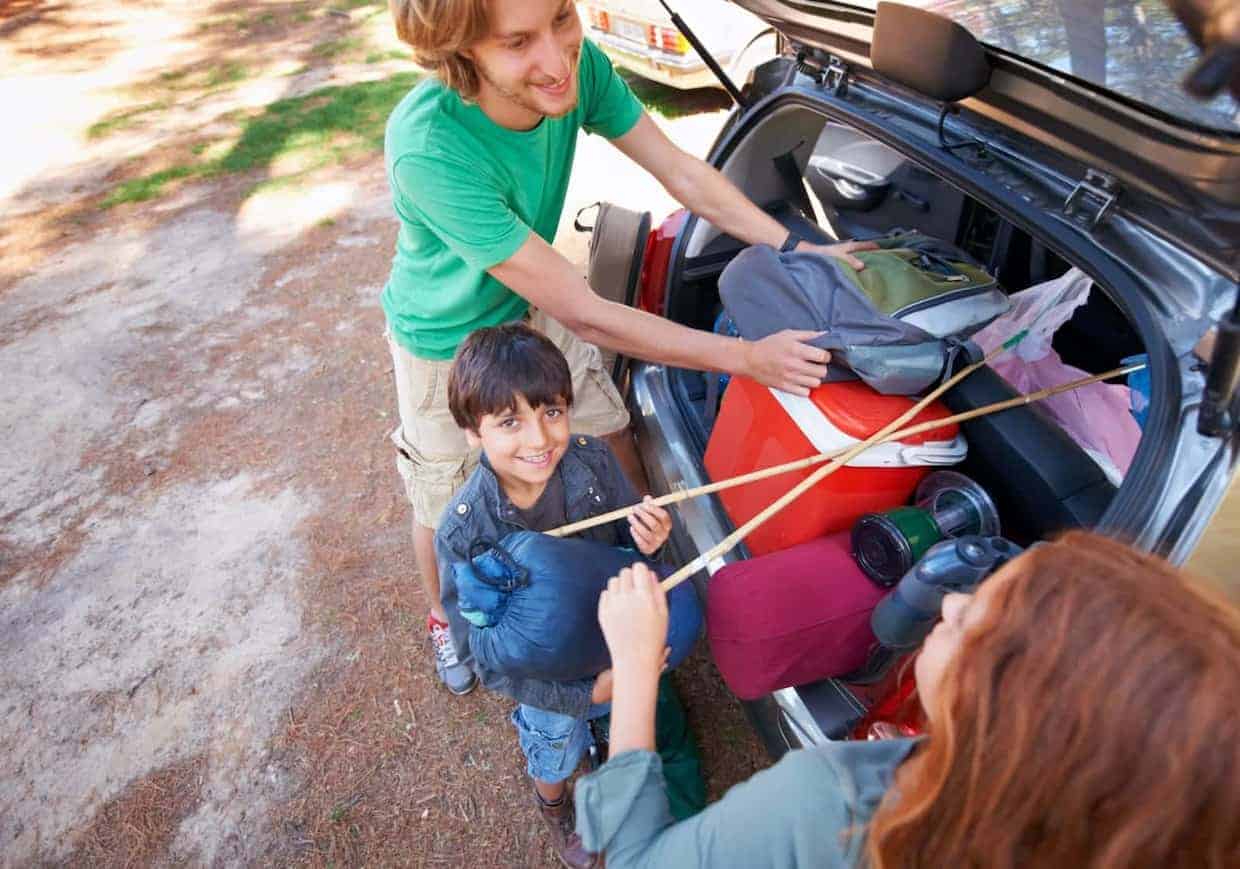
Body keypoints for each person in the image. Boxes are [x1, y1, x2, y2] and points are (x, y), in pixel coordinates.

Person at [381, 0, 876, 693]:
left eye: (560, 18)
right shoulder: (427, 145)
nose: (556, 62)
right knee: (447, 501)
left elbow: (680, 170)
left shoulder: (576, 66)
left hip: (534, 300)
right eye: (518, 42)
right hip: (444, 337)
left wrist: (801, 248)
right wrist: (746, 356)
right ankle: (444, 617)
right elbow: (589, 315)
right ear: (462, 52)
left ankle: (636, 572)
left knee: (609, 431)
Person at [577, 532, 1240, 867]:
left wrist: (636, 667)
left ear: (1032, 730)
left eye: (983, 622)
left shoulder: (836, 808)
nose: (953, 602)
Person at [434, 323, 675, 868]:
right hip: (549, 683)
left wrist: (651, 545)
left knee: (621, 721)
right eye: (510, 422)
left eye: (552, 412)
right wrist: (581, 696)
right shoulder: (464, 534)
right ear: (473, 431)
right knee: (554, 748)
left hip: (609, 640)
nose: (540, 440)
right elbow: (483, 660)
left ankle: (608, 763)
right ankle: (555, 803)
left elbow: (626, 556)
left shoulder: (590, 460)